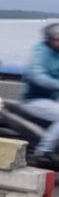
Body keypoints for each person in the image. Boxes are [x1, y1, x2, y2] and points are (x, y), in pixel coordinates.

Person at [22, 23, 59, 165]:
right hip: (34, 99)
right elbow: (37, 75)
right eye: (56, 39)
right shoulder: (41, 51)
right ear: (49, 38)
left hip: (52, 99)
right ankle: (42, 153)